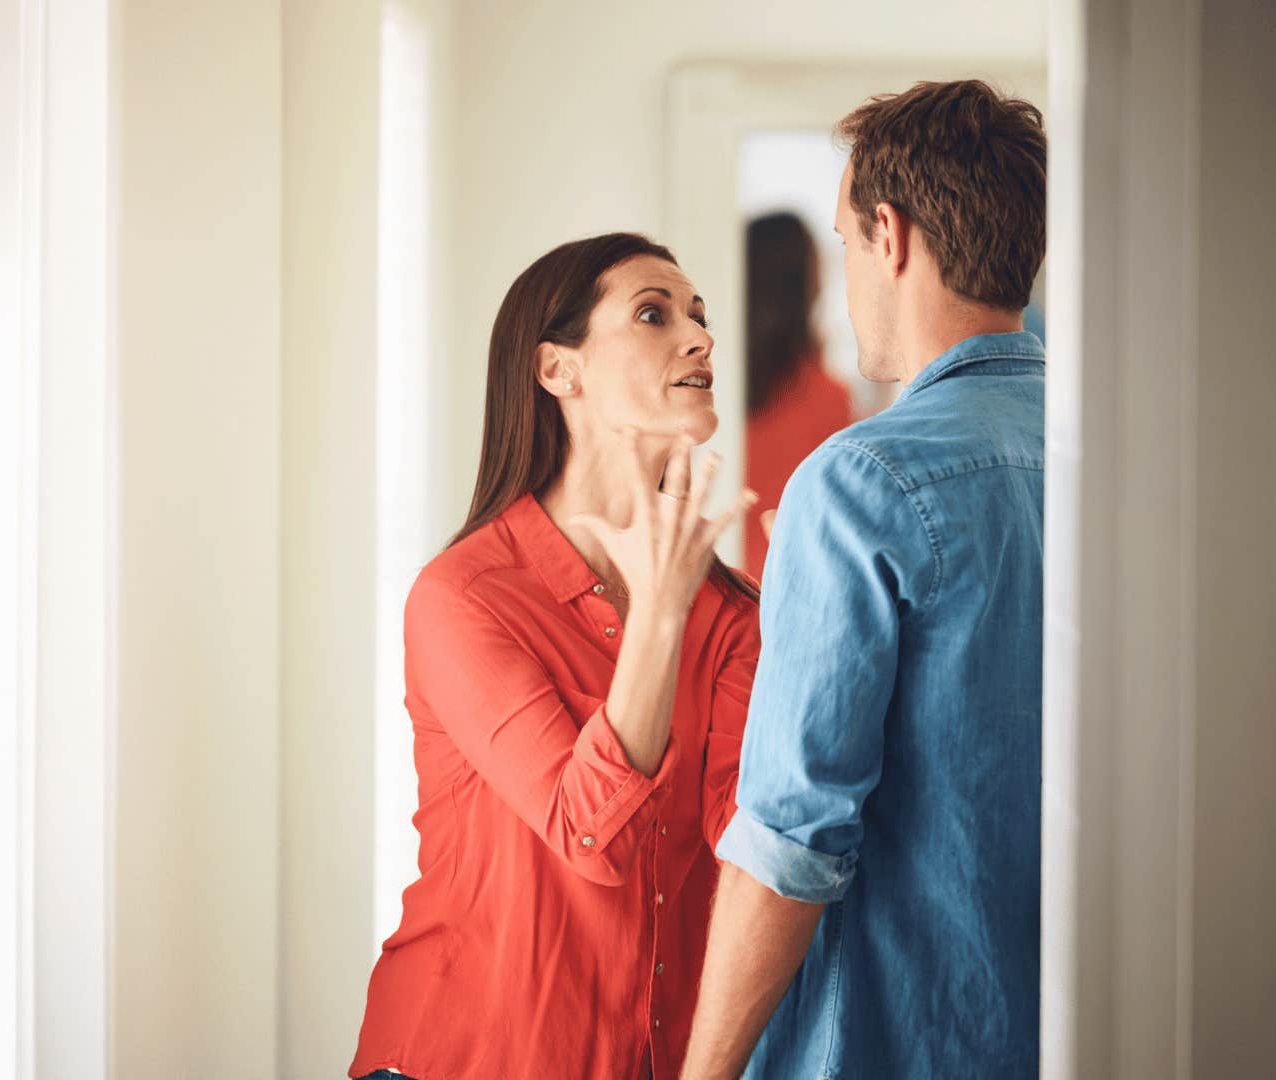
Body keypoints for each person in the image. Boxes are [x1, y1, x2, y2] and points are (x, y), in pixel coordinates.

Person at [682, 79, 1050, 1080]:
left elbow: (790, 843)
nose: (847, 276)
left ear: (890, 234)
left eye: (847, 243)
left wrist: (704, 1071)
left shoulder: (862, 481)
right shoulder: (1116, 450)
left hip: (894, 1044)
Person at [349, 233, 760, 1080]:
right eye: (654, 313)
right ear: (557, 371)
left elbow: (749, 848)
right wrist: (658, 613)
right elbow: (589, 833)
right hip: (459, 1057)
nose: (700, 337)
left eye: (699, 316)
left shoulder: (729, 614)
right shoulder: (465, 596)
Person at [743, 211, 853, 580]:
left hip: (724, 587)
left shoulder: (715, 385)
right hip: (789, 584)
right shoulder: (825, 396)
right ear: (803, 282)